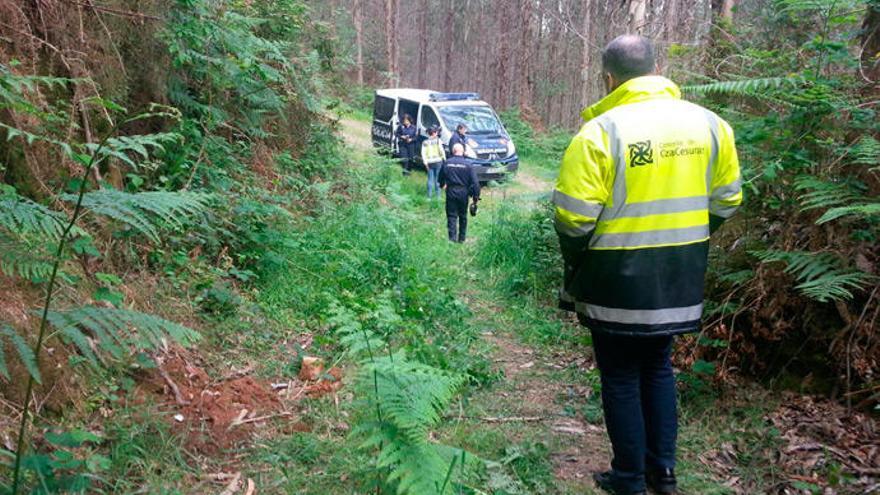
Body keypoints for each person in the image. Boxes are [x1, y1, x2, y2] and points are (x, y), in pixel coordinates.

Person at [553, 35, 742, 495]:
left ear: (609, 78)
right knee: (657, 367)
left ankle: (630, 480)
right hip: (678, 277)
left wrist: (579, 262)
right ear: (657, 69)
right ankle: (665, 474)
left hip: (616, 280)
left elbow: (573, 217)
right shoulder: (711, 125)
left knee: (619, 375)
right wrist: (688, 241)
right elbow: (728, 199)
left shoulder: (601, 131)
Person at [439, 143, 480, 242]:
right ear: (463, 152)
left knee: (451, 215)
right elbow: (475, 183)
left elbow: (440, 177)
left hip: (451, 191)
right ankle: (462, 239)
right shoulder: (468, 165)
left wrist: (442, 185)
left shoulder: (447, 163)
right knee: (463, 215)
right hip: (463, 192)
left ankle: (452, 238)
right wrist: (475, 197)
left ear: (453, 151)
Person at [421, 125, 446, 199]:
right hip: (438, 161)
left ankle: (429, 197)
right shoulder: (438, 140)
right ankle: (438, 196)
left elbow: (423, 153)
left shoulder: (425, 142)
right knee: (437, 179)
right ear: (434, 133)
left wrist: (425, 163)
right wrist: (444, 159)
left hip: (429, 162)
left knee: (430, 179)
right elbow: (442, 150)